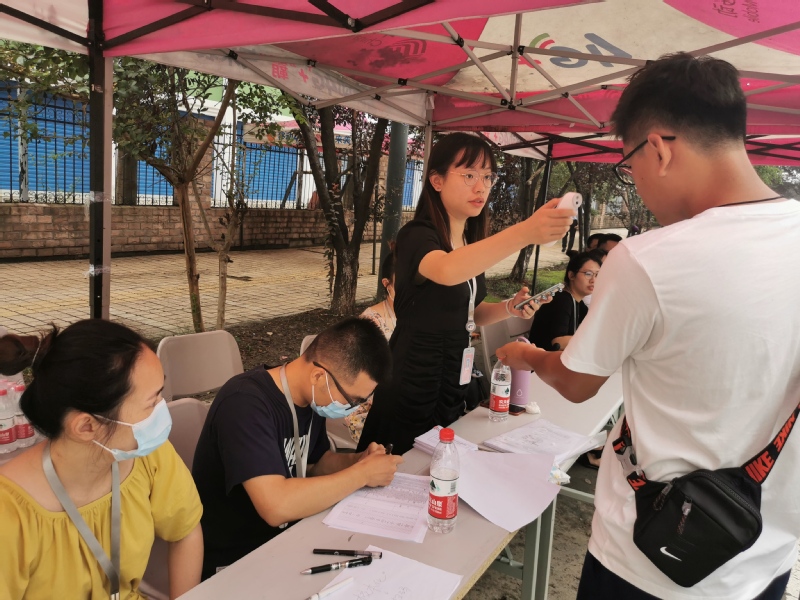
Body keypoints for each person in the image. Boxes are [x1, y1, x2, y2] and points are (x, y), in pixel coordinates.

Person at [496, 53, 800, 599]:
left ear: (658, 149)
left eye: (629, 167)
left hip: (646, 559)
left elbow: (577, 382)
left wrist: (528, 357)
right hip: (761, 558)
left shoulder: (649, 258)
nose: (635, 184)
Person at [356, 132, 574, 455]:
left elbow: (471, 311)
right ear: (436, 180)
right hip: (412, 378)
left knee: (441, 464)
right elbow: (445, 270)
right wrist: (526, 231)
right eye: (469, 175)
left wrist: (510, 307)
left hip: (453, 378)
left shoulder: (468, 244)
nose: (481, 187)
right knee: (399, 467)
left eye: (487, 177)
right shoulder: (416, 235)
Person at [0, 320, 203, 600]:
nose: (162, 408)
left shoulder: (148, 455)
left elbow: (186, 531)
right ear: (86, 427)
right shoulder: (10, 515)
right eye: (152, 401)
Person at [192, 317, 403, 580]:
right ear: (319, 376)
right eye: (352, 400)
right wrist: (362, 475)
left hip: (290, 540)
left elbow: (314, 464)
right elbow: (276, 506)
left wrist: (360, 461)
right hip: (238, 559)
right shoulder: (244, 403)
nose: (353, 409)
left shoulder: (311, 398)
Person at [344, 250, 397, 444]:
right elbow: (360, 380)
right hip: (370, 406)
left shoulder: (418, 317)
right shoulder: (371, 322)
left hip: (399, 400)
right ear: (386, 284)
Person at [528, 251, 600, 352]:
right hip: (542, 359)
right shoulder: (561, 301)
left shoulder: (578, 303)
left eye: (597, 275)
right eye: (588, 274)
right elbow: (558, 343)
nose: (593, 280)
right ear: (571, 275)